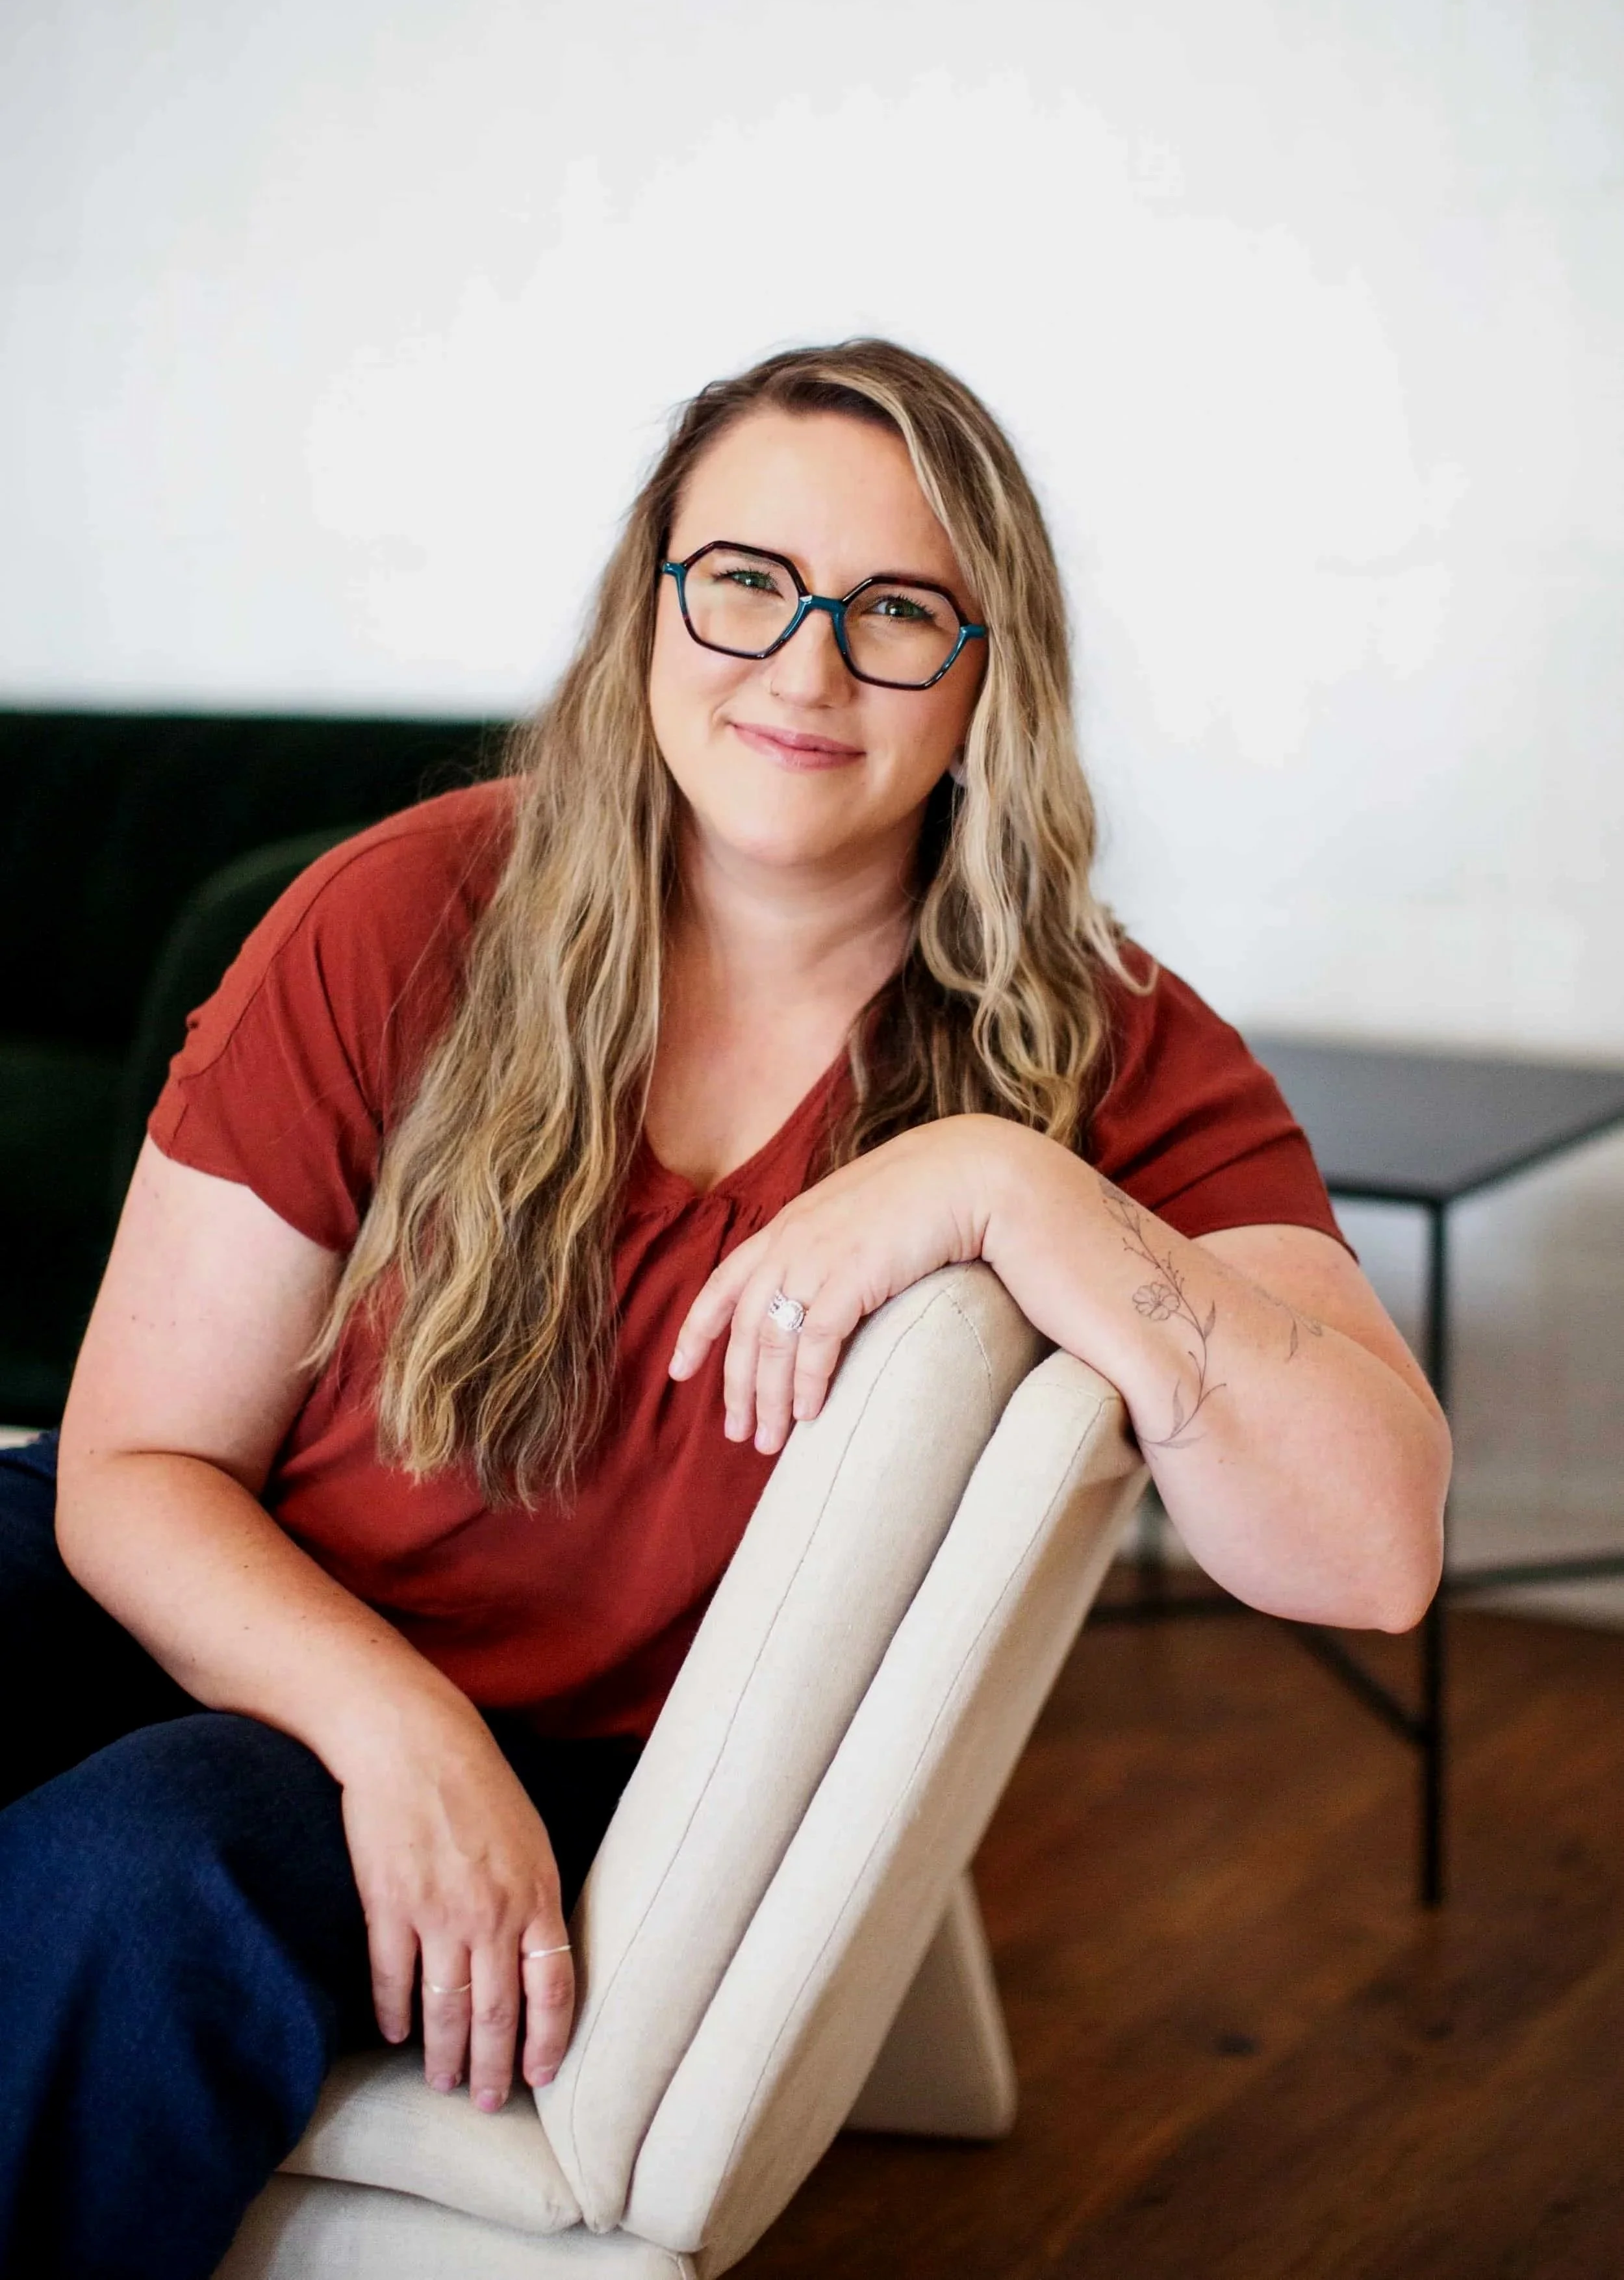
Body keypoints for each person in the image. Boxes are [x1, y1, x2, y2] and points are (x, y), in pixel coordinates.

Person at [0, 339, 1449, 2279]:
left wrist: (1006, 1180)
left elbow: (1371, 1546)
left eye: (899, 613)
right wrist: (395, 1727)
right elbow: (136, 1464)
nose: (805, 664)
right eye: (747, 579)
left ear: (990, 675)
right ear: (651, 601)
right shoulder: (396, 914)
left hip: (560, 1755)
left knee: (136, 1868)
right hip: (254, 1598)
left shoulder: (1099, 1048)